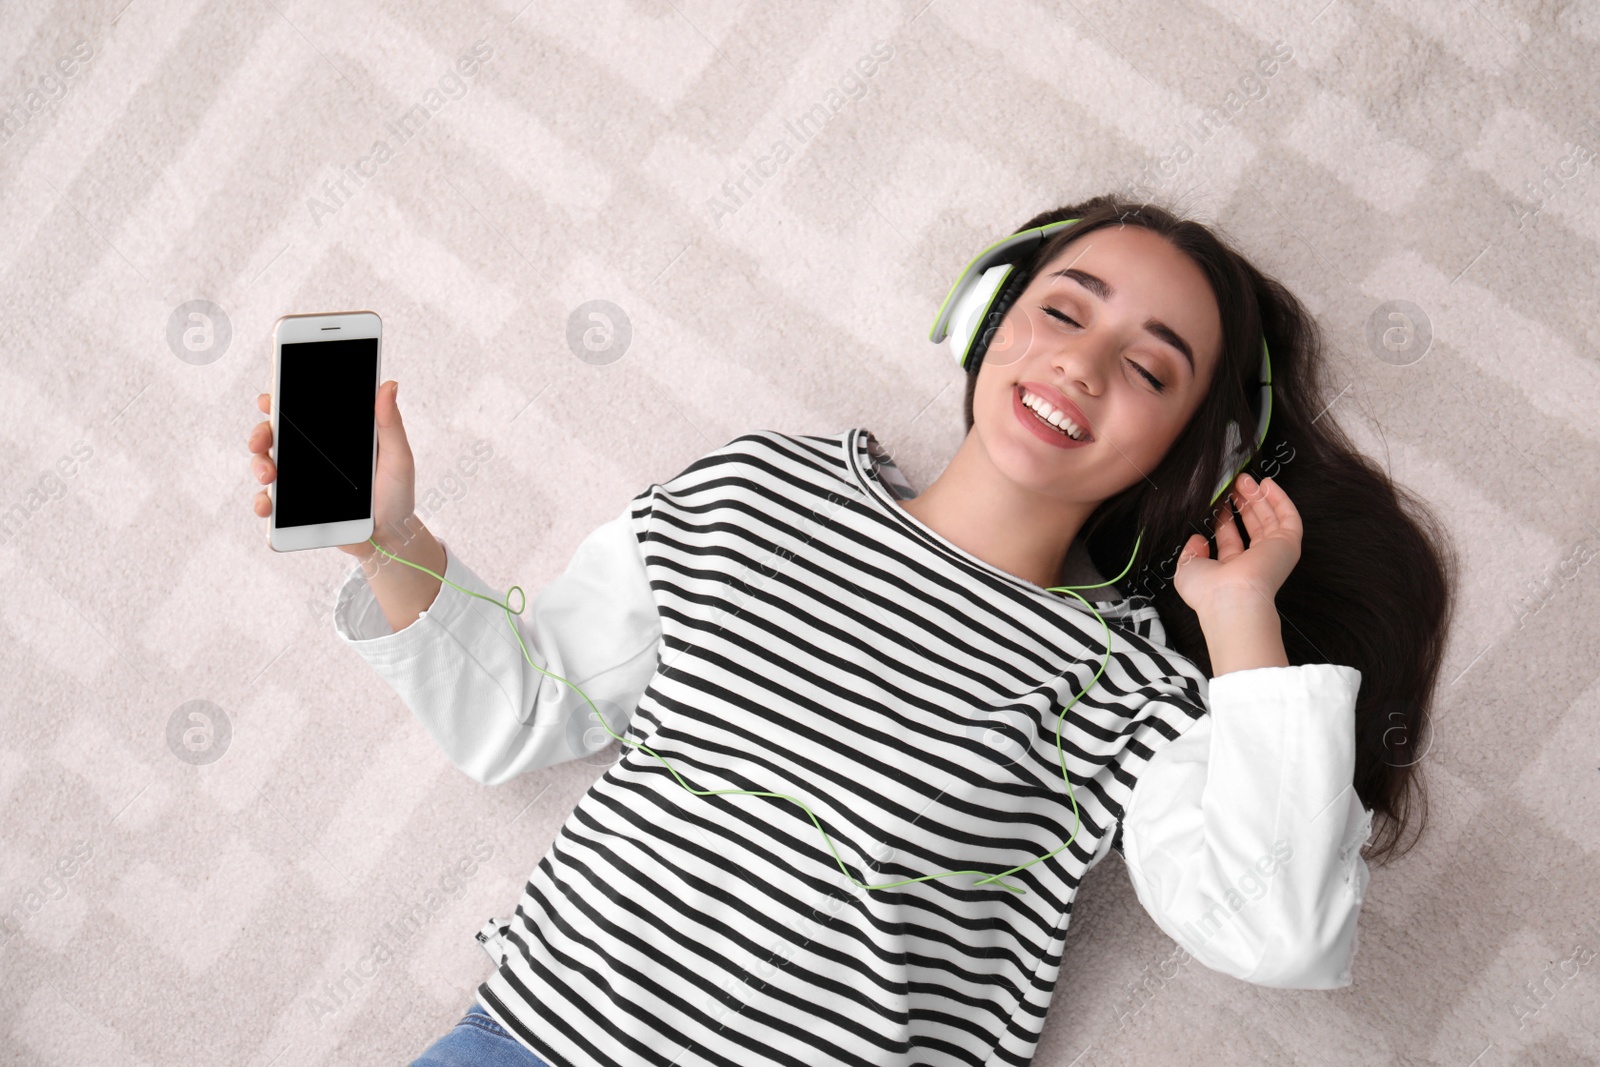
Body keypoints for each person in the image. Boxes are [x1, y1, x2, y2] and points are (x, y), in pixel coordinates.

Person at [246, 195, 1457, 1067]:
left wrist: (1243, 622)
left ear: (1200, 453)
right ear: (985, 314)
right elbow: (520, 704)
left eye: (1148, 368)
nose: (1080, 364)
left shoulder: (1133, 691)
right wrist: (389, 536)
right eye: (1061, 309)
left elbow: (1281, 931)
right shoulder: (757, 490)